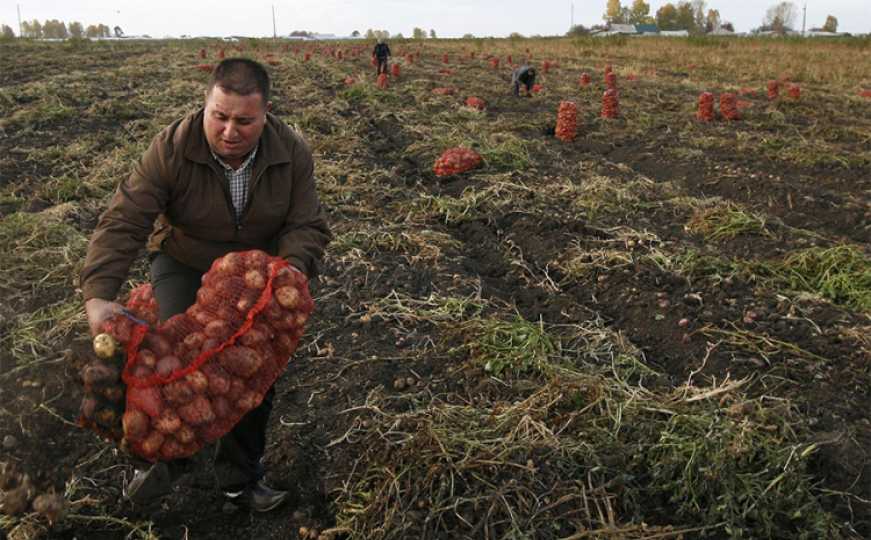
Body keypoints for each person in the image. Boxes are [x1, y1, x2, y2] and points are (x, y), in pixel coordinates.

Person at [80, 58, 332, 512]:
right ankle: (155, 457)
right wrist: (99, 292)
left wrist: (291, 270)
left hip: (253, 272)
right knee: (176, 354)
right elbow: (126, 218)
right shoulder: (172, 147)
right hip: (184, 258)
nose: (230, 130)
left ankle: (240, 479)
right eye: (220, 116)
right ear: (206, 105)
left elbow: (306, 223)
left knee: (252, 372)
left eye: (244, 120)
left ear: (266, 112)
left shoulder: (291, 152)